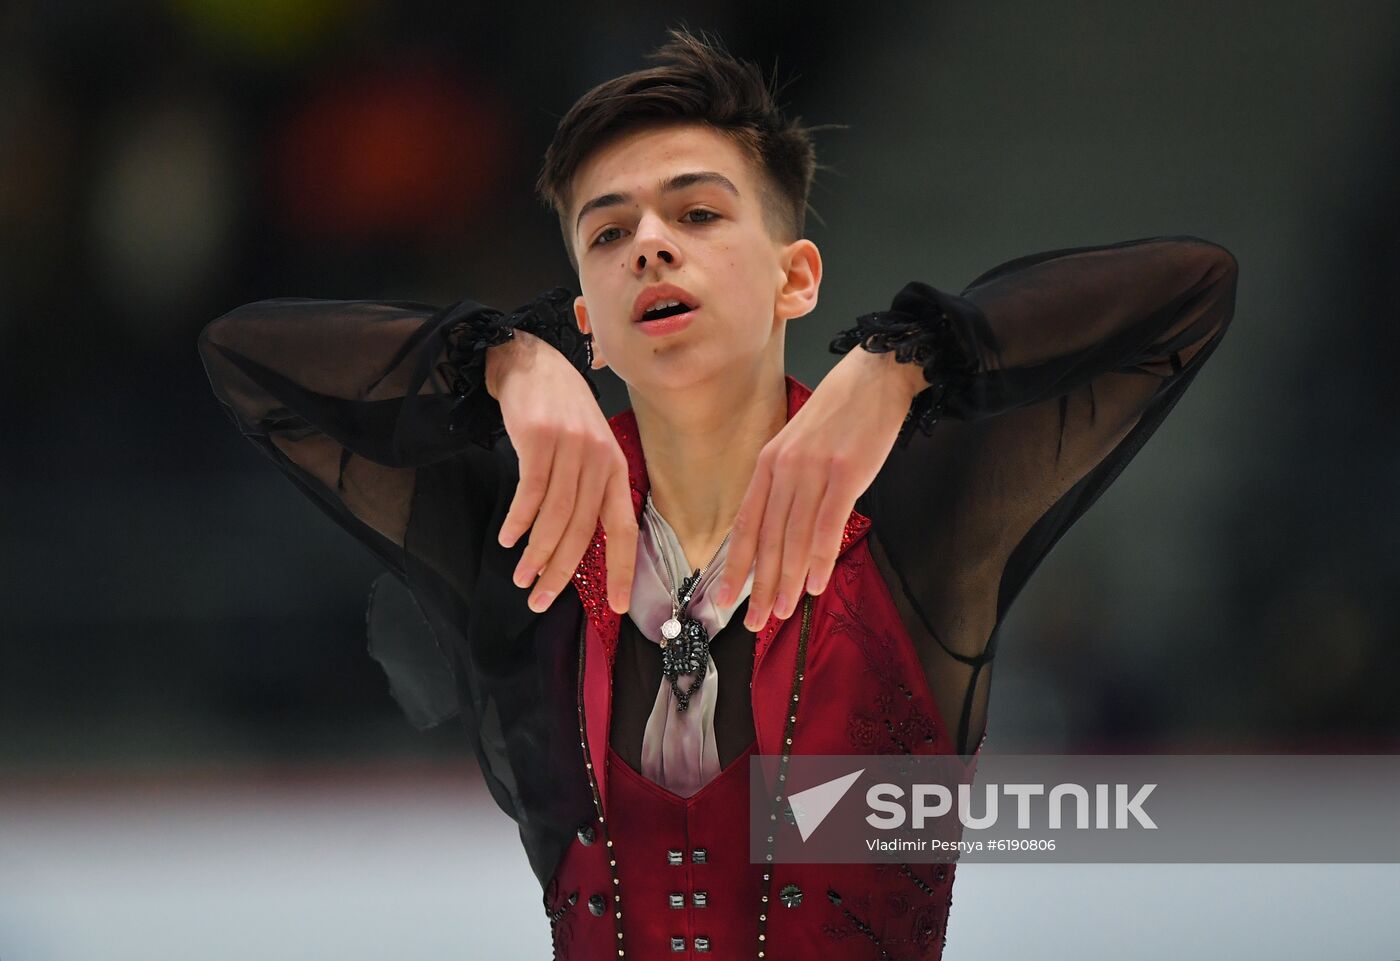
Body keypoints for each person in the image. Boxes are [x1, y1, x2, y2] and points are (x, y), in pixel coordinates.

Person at [197, 26, 1239, 960]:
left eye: (696, 211)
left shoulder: (914, 511)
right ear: (589, 321)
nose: (649, 241)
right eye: (607, 233)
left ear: (795, 278)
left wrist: (904, 360)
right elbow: (248, 358)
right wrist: (502, 360)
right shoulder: (522, 533)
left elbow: (1188, 290)